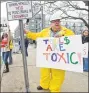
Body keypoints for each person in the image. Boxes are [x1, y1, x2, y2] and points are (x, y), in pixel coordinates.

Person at [24, 13, 74, 92]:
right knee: (44, 73)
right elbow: (36, 35)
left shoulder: (67, 31)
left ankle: (54, 89)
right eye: (54, 21)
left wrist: (63, 38)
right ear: (51, 23)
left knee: (57, 75)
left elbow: (73, 40)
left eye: (58, 21)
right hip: (46, 58)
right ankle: (44, 85)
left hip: (59, 59)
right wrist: (28, 33)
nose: (57, 22)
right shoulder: (45, 31)